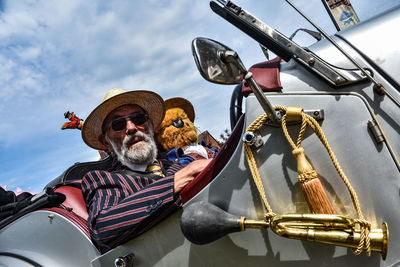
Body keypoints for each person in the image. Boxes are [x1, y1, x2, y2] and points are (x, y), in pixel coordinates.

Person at [80, 88, 211, 252]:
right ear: (106, 142)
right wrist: (178, 180)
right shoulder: (103, 179)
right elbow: (103, 229)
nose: (131, 127)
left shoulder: (174, 165)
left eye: (138, 118)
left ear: (150, 126)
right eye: (118, 124)